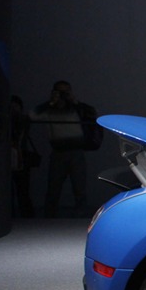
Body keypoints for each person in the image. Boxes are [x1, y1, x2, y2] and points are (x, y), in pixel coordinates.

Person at [31, 81, 98, 218]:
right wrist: (50, 102)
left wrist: (74, 101)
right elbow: (32, 115)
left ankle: (81, 217)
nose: (63, 96)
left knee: (79, 188)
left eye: (65, 92)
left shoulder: (75, 109)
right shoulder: (49, 110)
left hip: (76, 152)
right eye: (60, 92)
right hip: (58, 153)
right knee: (54, 188)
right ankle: (49, 217)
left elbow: (93, 113)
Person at [10, 95, 37, 218]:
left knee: (22, 190)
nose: (13, 109)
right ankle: (13, 215)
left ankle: (26, 215)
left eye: (16, 106)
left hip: (21, 156)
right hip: (10, 157)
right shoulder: (9, 121)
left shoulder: (23, 120)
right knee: (13, 190)